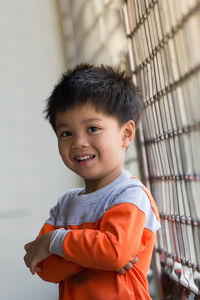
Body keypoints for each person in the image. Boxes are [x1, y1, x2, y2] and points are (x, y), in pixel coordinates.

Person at [24, 64, 160, 300]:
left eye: (93, 128)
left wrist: (55, 241)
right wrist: (97, 254)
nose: (79, 142)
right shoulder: (65, 204)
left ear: (126, 134)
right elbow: (44, 268)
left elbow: (115, 252)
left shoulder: (130, 195)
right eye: (66, 133)